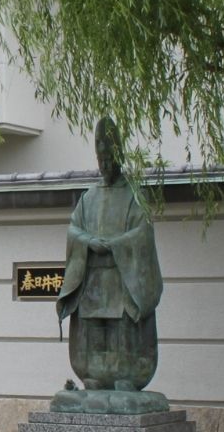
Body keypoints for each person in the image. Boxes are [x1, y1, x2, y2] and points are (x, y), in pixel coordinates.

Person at [55, 117, 164, 398]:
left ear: (119, 157)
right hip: (92, 280)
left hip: (122, 279)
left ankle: (125, 377)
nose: (104, 164)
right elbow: (73, 229)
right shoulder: (88, 198)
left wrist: (116, 245)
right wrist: (88, 241)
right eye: (100, 159)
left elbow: (142, 233)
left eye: (109, 158)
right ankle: (93, 375)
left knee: (122, 332)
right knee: (93, 333)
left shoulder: (134, 196)